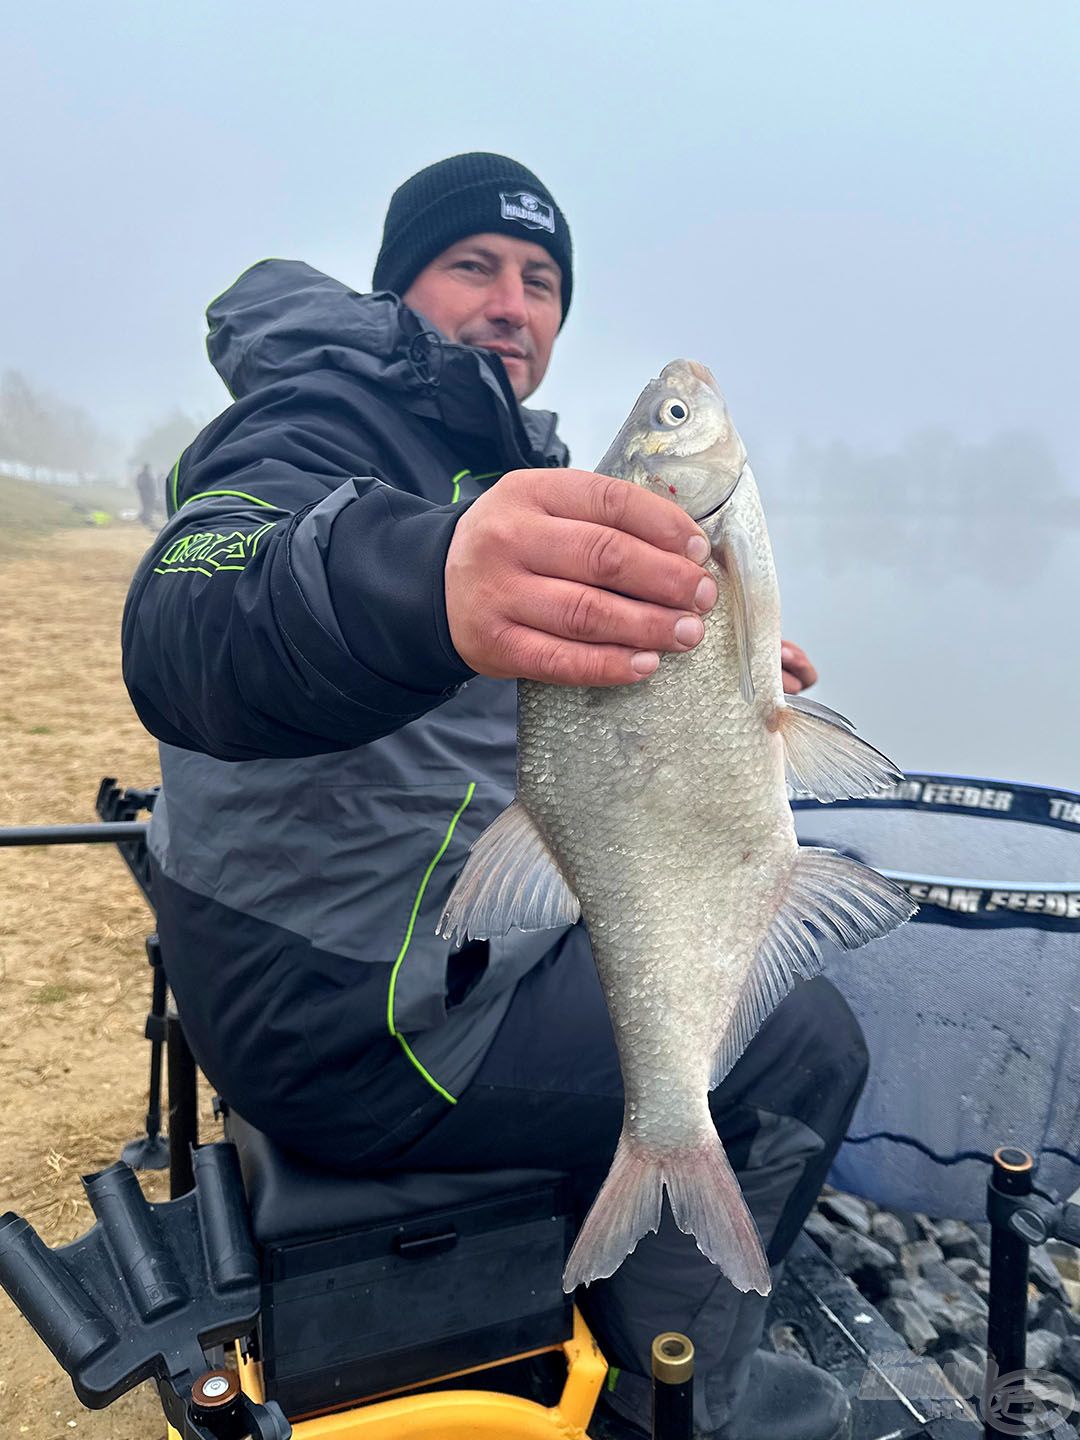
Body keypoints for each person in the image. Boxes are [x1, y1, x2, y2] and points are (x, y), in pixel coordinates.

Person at [122, 153, 863, 1440]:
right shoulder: (317, 420)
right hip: (350, 1013)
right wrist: (433, 580)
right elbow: (193, 607)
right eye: (472, 265)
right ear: (397, 288)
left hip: (394, 947)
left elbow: (491, 710)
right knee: (809, 1044)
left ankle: (625, 1290)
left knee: (693, 935)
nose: (512, 302)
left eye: (542, 279)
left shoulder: (510, 460)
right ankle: (672, 1400)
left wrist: (699, 690)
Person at [134, 461, 157, 527]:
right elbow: (141, 485)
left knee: (147, 507)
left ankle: (145, 518)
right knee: (146, 506)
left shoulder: (145, 475)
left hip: (147, 494)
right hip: (145, 494)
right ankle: (145, 519)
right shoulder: (143, 475)